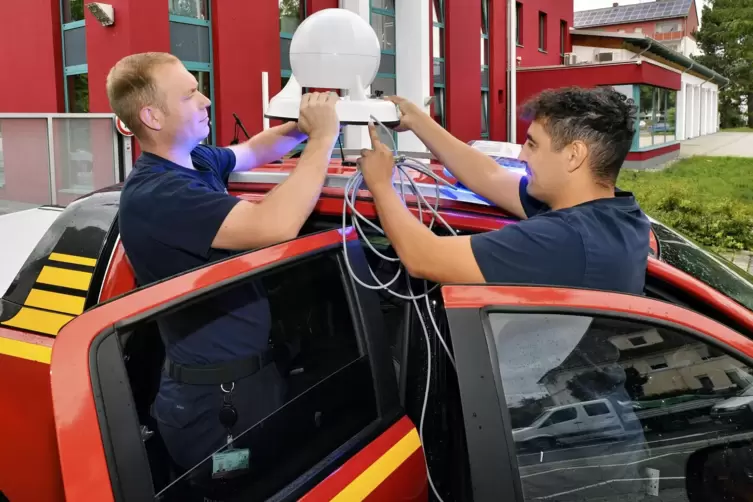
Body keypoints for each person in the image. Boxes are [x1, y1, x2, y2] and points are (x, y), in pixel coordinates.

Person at [106, 52, 340, 477]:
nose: (207, 101)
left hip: (251, 381)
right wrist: (323, 141)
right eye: (191, 94)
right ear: (152, 116)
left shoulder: (195, 162)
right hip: (212, 403)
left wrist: (307, 125)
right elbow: (275, 224)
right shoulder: (158, 196)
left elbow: (252, 150)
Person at [357, 86, 650, 294]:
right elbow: (490, 175)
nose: (522, 157)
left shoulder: (564, 241)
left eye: (532, 144)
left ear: (574, 155)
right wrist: (418, 121)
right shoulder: (620, 214)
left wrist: (381, 184)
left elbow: (423, 258)